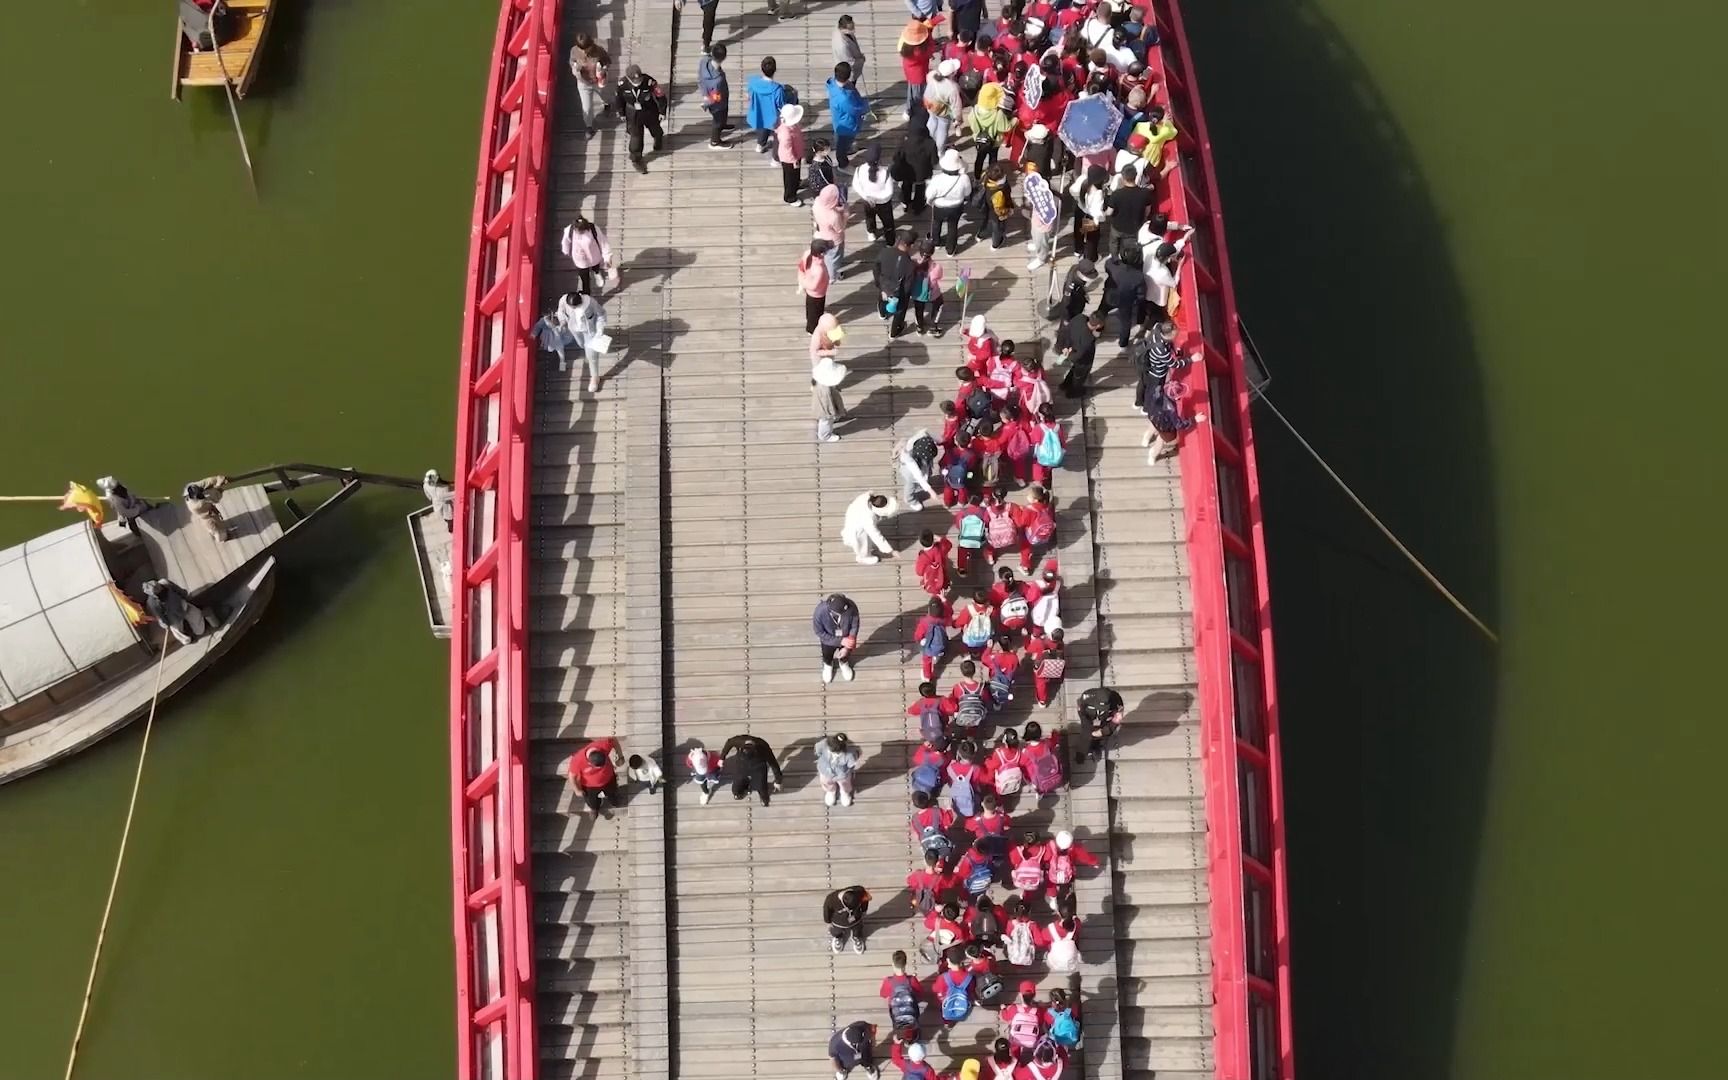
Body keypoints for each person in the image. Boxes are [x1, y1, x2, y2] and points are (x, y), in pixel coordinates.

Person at [558, 290, 609, 394]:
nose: (572, 309)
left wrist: (599, 330)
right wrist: (562, 322)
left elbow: (601, 314)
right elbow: (560, 311)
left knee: (592, 356)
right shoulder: (563, 300)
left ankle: (595, 377)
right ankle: (587, 352)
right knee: (581, 344)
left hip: (590, 331)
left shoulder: (590, 303)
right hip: (575, 330)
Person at [617, 64, 666, 173]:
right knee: (636, 137)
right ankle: (636, 159)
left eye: (639, 79)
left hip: (649, 109)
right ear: (629, 79)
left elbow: (660, 96)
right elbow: (619, 99)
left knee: (656, 128)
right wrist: (621, 113)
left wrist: (662, 111)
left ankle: (658, 138)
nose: (638, 81)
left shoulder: (649, 82)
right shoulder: (622, 84)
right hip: (632, 112)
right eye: (635, 80)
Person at [140, 578, 216, 645]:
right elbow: (160, 616)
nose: (159, 589)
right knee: (178, 632)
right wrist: (166, 624)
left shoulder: (165, 582)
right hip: (172, 617)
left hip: (182, 605)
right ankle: (187, 640)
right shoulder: (152, 603)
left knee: (197, 618)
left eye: (158, 586)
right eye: (156, 591)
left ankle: (199, 631)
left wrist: (184, 595)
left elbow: (178, 590)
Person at [1142, 381, 1203, 464]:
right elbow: (1179, 424)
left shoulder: (1156, 391)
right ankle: (1153, 453)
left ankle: (1146, 437)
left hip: (1153, 415)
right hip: (1164, 426)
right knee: (1161, 439)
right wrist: (1194, 419)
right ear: (1176, 397)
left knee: (1153, 425)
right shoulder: (1171, 409)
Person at [926, 149, 972, 256]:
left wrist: (930, 202)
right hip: (956, 207)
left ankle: (936, 242)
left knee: (936, 223)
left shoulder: (937, 179)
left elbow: (930, 194)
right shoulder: (964, 178)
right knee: (953, 226)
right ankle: (950, 250)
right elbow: (967, 193)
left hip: (940, 206)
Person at [1098, 243, 1146, 348]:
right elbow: (1141, 295)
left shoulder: (1112, 264)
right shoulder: (1139, 276)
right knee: (1125, 323)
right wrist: (1134, 302)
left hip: (1110, 294)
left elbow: (1107, 266)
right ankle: (1123, 343)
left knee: (1102, 310)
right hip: (1126, 301)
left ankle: (1098, 329)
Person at [873, 230, 919, 338]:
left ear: (899, 240)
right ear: (910, 245)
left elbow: (876, 267)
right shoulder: (910, 265)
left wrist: (879, 283)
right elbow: (907, 287)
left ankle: (882, 313)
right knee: (900, 311)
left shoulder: (884, 252)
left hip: (884, 286)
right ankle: (894, 331)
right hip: (898, 292)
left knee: (882, 299)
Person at [720, 732, 784, 804]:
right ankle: (738, 793)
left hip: (758, 767)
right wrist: (722, 757)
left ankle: (764, 798)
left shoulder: (763, 746)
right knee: (736, 786)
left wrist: (778, 780)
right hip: (741, 765)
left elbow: (773, 763)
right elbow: (729, 742)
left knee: (761, 786)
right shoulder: (738, 741)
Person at [968, 82, 1015, 178]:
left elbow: (972, 123)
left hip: (980, 140)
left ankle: (977, 177)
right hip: (995, 142)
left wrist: (977, 133)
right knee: (993, 159)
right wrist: (1015, 121)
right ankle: (992, 176)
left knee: (979, 158)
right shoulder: (998, 113)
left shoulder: (974, 110)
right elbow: (1005, 127)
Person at [568, 32, 612, 134]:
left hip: (598, 81)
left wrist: (603, 69)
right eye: (581, 49)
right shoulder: (574, 51)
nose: (584, 52)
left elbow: (607, 61)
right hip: (583, 83)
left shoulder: (599, 51)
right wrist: (575, 67)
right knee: (586, 107)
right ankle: (589, 126)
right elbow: (571, 62)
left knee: (605, 95)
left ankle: (607, 104)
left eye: (586, 49)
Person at [813, 592, 861, 684]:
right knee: (827, 654)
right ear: (832, 612)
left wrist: (848, 646)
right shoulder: (819, 612)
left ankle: (843, 663)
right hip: (828, 639)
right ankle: (828, 665)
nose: (846, 613)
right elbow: (819, 632)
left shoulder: (851, 606)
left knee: (846, 654)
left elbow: (855, 626)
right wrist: (840, 641)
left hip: (846, 636)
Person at [828, 63, 869, 168]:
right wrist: (865, 107)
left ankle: (848, 149)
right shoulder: (844, 98)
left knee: (842, 141)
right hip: (847, 125)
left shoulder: (832, 83)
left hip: (839, 121)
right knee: (842, 147)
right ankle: (843, 165)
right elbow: (855, 110)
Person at [560, 216, 614, 297]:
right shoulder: (570, 230)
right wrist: (566, 250)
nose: (578, 232)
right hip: (579, 259)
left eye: (580, 231)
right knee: (584, 278)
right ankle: (587, 294)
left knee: (595, 266)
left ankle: (597, 273)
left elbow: (603, 242)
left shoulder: (593, 229)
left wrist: (607, 256)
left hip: (593, 255)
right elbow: (566, 241)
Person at [567, 737, 622, 814]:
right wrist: (577, 790)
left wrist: (620, 756)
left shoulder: (603, 746)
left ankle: (614, 801)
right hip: (590, 786)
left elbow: (614, 740)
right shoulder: (577, 760)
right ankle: (594, 808)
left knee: (612, 793)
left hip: (609, 779)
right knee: (592, 801)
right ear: (589, 763)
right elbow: (572, 776)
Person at [841, 491, 899, 565]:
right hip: (856, 530)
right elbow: (876, 535)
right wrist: (890, 551)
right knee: (862, 541)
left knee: (865, 537)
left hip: (853, 516)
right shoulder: (868, 519)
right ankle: (863, 557)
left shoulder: (866, 497)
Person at [893, 124, 939, 216]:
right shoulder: (930, 143)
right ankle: (918, 207)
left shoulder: (904, 142)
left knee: (906, 186)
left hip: (906, 171)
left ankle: (905, 203)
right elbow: (934, 161)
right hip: (922, 172)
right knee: (920, 189)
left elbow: (896, 157)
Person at [1021, 164, 1060, 271]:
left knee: (1042, 242)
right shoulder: (1037, 193)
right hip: (1035, 220)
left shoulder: (1053, 199)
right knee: (1035, 236)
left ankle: (1041, 258)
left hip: (1043, 226)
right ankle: (1036, 245)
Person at [854, 146, 898, 240]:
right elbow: (889, 192)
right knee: (888, 222)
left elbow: (856, 185)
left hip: (867, 201)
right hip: (883, 203)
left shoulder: (859, 170)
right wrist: (878, 199)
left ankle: (871, 233)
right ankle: (890, 241)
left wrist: (867, 197)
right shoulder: (884, 172)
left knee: (869, 217)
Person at [898, 19, 938, 120]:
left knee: (911, 91)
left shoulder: (905, 46)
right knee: (918, 95)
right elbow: (931, 48)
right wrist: (929, 33)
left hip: (909, 72)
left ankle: (908, 110)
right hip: (918, 75)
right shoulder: (919, 51)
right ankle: (915, 112)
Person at [747, 57, 789, 153]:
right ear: (775, 70)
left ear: (762, 69)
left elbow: (749, 95)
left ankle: (760, 144)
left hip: (756, 112)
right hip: (771, 116)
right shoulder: (777, 89)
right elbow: (781, 105)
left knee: (761, 129)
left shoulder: (753, 82)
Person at [1067, 165, 1109, 262]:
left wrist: (1078, 199)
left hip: (1080, 210)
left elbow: (1072, 190)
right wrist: (1100, 219)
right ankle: (1091, 257)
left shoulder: (1082, 179)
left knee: (1078, 232)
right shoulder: (1097, 193)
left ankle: (1078, 250)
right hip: (1090, 216)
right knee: (1091, 238)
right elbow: (1096, 212)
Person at [881, 951, 927, 1037]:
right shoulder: (912, 980)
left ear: (893, 964)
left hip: (895, 1010)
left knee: (895, 1019)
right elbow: (920, 993)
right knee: (914, 1019)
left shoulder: (888, 981)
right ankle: (914, 1032)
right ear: (905, 964)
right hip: (911, 1008)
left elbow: (883, 994)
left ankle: (898, 1033)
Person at [1057, 315, 1103, 398]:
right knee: (1079, 377)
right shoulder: (1088, 339)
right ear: (1098, 325)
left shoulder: (1079, 318)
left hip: (1071, 349)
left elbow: (1067, 331)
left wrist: (1066, 347)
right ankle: (1072, 393)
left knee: (1073, 370)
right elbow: (1079, 355)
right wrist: (1069, 356)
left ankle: (1065, 385)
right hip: (1083, 361)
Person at [1076, 685, 1125, 762]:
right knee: (1086, 733)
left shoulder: (1117, 701)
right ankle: (1081, 752)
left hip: (1107, 716)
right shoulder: (1086, 696)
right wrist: (1087, 726)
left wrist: (1103, 731)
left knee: (1105, 733)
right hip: (1089, 713)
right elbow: (1081, 710)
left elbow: (1116, 719)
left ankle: (1096, 745)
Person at [924, 59, 963, 153]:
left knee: (932, 122)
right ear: (952, 74)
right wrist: (958, 119)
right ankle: (939, 151)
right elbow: (956, 106)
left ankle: (927, 143)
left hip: (930, 105)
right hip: (942, 111)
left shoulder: (932, 77)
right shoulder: (952, 88)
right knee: (942, 129)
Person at [774, 103, 809, 205]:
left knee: (795, 174)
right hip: (789, 159)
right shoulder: (786, 134)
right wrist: (794, 161)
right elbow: (787, 150)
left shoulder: (789, 125)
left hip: (796, 154)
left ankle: (797, 183)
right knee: (789, 178)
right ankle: (790, 197)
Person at [697, 43, 731, 148]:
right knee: (717, 121)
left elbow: (700, 78)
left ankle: (723, 125)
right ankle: (715, 141)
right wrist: (706, 103)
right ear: (724, 57)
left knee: (722, 115)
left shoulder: (704, 62)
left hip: (708, 94)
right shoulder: (718, 81)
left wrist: (705, 95)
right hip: (718, 104)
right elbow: (716, 97)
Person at [911, 237, 947, 336]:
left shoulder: (913, 264)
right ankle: (933, 326)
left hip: (917, 294)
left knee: (918, 309)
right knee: (939, 304)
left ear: (919, 251)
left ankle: (919, 327)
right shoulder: (937, 267)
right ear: (932, 252)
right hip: (933, 293)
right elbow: (939, 277)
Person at [799, 238, 835, 333]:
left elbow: (801, 267)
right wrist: (803, 282)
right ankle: (812, 330)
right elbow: (813, 286)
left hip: (812, 294)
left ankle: (811, 321)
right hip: (817, 295)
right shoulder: (819, 269)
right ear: (821, 254)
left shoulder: (807, 254)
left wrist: (802, 281)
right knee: (816, 314)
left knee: (810, 310)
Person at [825, 885, 875, 953]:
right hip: (838, 921)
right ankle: (838, 937)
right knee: (836, 930)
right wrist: (828, 921)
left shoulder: (859, 891)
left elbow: (865, 900)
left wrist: (864, 910)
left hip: (856, 918)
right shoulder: (831, 899)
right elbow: (826, 910)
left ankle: (856, 937)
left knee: (858, 929)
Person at [818, 732, 863, 807]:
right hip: (825, 771)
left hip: (842, 774)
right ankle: (831, 791)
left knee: (845, 784)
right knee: (826, 782)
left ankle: (844, 792)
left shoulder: (849, 754)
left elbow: (851, 764)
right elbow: (818, 750)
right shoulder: (823, 744)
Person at [899, 431, 942, 509]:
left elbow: (925, 431)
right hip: (910, 472)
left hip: (921, 463)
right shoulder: (909, 458)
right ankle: (909, 499)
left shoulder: (922, 440)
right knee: (911, 485)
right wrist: (931, 492)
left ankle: (922, 485)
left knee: (926, 474)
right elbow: (918, 476)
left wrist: (937, 441)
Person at [813, 184, 847, 281]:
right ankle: (832, 276)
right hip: (834, 240)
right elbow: (840, 229)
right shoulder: (833, 216)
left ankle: (828, 267)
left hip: (821, 234)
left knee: (828, 255)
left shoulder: (817, 203)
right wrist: (845, 215)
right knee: (834, 258)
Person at [913, 599, 952, 682]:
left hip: (929, 645)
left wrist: (919, 640)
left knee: (926, 659)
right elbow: (950, 612)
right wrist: (945, 601)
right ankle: (937, 654)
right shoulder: (944, 619)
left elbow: (918, 635)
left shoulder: (924, 622)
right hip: (941, 643)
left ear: (928, 610)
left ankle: (927, 676)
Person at [977, 163, 1015, 249]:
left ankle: (980, 235)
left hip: (985, 203)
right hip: (995, 210)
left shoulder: (985, 176)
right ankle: (996, 244)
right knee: (997, 226)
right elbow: (999, 208)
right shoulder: (1000, 191)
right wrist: (1006, 213)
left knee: (986, 221)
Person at [814, 354, 850, 444]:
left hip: (828, 397)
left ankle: (836, 416)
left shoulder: (821, 381)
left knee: (829, 415)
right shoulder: (825, 391)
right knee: (826, 419)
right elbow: (827, 407)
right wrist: (832, 413)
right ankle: (825, 435)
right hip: (826, 404)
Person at [1026, 628, 1066, 707]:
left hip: (1041, 667)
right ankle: (1057, 679)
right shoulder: (1060, 643)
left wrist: (1027, 638)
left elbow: (1028, 651)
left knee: (1041, 683)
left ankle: (1042, 700)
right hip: (1054, 666)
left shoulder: (1039, 642)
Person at [182, 475, 230, 541]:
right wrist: (218, 485)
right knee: (221, 535)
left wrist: (217, 479)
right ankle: (217, 535)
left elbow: (206, 482)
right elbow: (216, 498)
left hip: (208, 511)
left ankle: (212, 531)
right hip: (208, 518)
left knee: (213, 526)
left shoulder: (190, 487)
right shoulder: (198, 505)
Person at [834, 15, 868, 88]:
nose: (853, 29)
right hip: (848, 73)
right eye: (851, 28)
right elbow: (849, 62)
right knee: (850, 88)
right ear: (843, 28)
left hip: (853, 63)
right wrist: (861, 60)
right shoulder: (842, 45)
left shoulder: (843, 32)